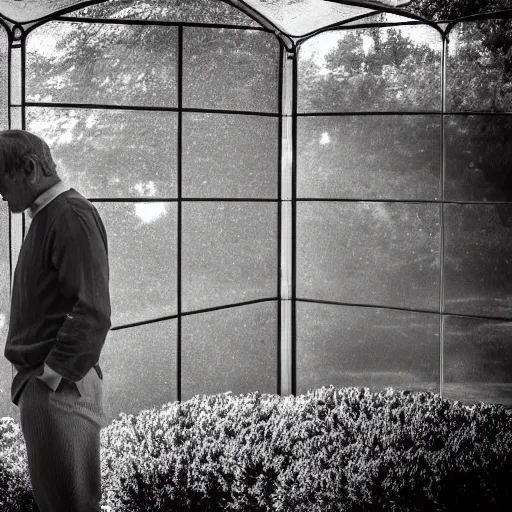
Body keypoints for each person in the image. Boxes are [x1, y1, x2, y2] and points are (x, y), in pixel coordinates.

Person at [0, 129, 111, 512]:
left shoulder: (69, 215)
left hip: (58, 388)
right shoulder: (52, 215)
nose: (0, 193)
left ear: (28, 168)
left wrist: (50, 376)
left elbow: (93, 310)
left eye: (1, 178)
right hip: (54, 386)